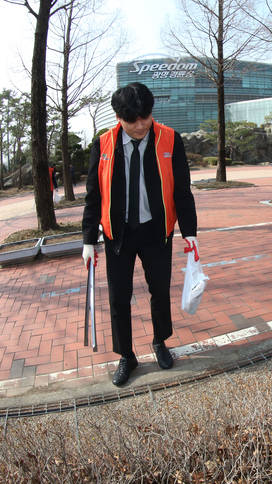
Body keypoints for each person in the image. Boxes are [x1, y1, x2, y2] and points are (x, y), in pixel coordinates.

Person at [82, 82, 198, 387]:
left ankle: (160, 341)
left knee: (160, 290)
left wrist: (190, 232)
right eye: (132, 120)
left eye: (145, 117)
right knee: (119, 297)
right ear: (118, 117)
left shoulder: (170, 139)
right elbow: (93, 195)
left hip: (156, 230)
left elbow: (182, 190)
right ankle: (126, 356)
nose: (140, 125)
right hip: (117, 233)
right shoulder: (103, 144)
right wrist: (88, 239)